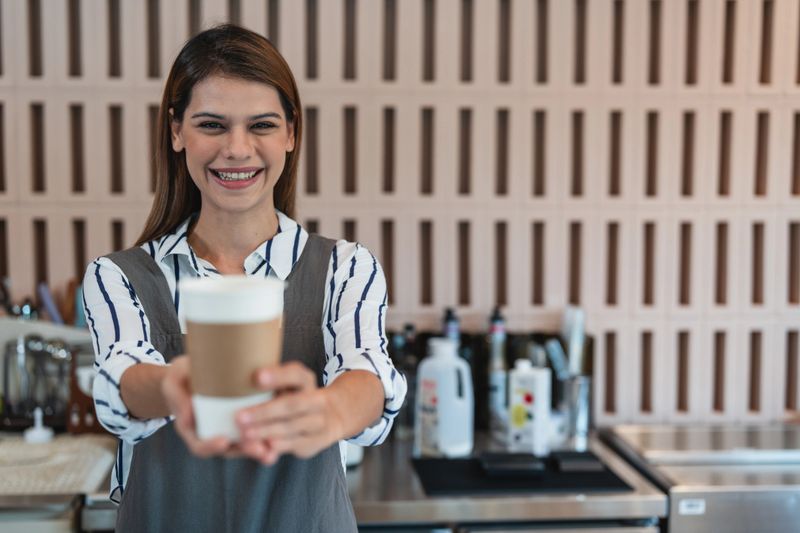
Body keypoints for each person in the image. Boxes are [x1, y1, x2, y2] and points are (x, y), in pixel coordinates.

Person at [82, 24, 406, 532]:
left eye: (262, 125)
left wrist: (330, 410)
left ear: (291, 133)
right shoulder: (118, 277)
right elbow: (122, 378)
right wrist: (175, 386)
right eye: (211, 124)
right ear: (176, 132)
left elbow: (365, 370)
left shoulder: (346, 269)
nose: (237, 149)